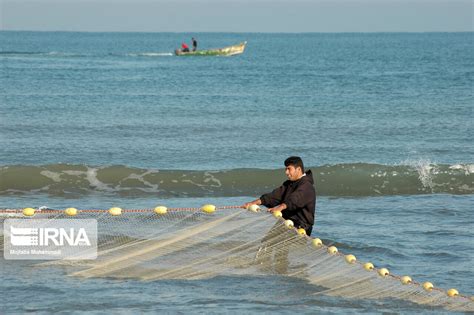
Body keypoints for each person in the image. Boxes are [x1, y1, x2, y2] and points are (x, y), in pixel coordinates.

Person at [243, 156, 316, 236]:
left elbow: (295, 199)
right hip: (285, 222)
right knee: (266, 244)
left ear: (298, 169)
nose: (286, 172)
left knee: (287, 248)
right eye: (286, 169)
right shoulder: (288, 184)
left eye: (289, 169)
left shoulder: (307, 186)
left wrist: (280, 207)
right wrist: (253, 203)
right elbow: (272, 197)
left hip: (301, 227)